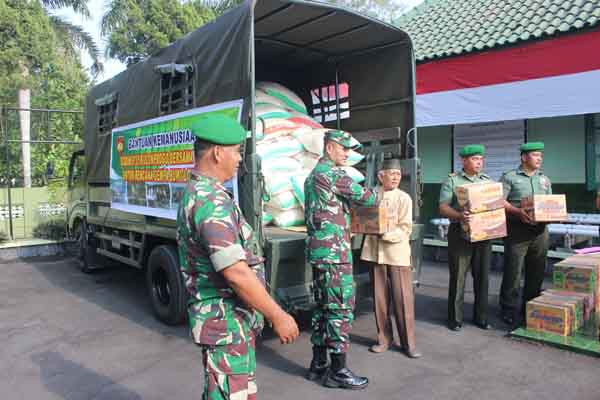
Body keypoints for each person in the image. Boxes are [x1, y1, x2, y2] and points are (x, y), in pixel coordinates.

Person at [176, 114, 299, 400]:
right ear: (218, 153)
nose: (240, 160)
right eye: (236, 152)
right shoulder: (210, 201)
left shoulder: (202, 192)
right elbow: (235, 271)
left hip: (226, 323)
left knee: (225, 392)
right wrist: (277, 315)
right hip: (225, 321)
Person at [304, 129, 379, 390]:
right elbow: (366, 197)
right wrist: (381, 192)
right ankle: (338, 371)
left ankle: (318, 363)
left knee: (323, 308)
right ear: (328, 148)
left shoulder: (312, 175)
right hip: (334, 253)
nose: (348, 153)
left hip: (320, 251)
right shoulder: (333, 174)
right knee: (339, 308)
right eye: (343, 148)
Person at [360, 158, 421, 358]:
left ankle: (408, 344)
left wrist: (385, 234)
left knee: (403, 298)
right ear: (380, 176)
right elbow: (361, 218)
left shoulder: (404, 198)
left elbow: (405, 228)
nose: (395, 178)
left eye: (398, 174)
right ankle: (384, 339)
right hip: (374, 254)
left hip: (397, 254)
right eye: (391, 174)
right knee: (380, 300)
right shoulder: (370, 195)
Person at [438, 144, 493, 332]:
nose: (479, 162)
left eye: (481, 159)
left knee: (482, 278)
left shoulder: (487, 181)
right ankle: (455, 318)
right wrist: (460, 215)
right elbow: (443, 207)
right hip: (460, 233)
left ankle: (481, 317)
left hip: (484, 233)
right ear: (464, 161)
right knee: (458, 277)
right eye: (475, 159)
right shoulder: (452, 181)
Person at [499, 142, 551, 326]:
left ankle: (530, 307)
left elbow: (550, 202)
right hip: (517, 231)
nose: (539, 158)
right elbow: (500, 202)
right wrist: (517, 211)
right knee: (513, 271)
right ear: (524, 157)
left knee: (537, 271)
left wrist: (554, 214)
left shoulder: (544, 179)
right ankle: (508, 308)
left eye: (540, 155)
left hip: (540, 232)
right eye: (535, 155)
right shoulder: (510, 177)